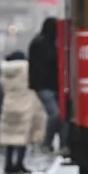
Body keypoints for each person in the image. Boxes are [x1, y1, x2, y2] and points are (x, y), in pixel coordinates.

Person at [0, 51, 46, 174]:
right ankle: (19, 163)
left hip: (9, 105)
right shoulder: (27, 70)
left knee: (9, 137)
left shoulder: (4, 72)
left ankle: (8, 164)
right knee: (22, 136)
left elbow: (2, 88)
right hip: (25, 105)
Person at [28, 18, 62, 154]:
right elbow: (50, 59)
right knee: (55, 114)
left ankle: (54, 142)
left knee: (59, 115)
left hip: (49, 85)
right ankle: (47, 142)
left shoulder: (41, 42)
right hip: (44, 85)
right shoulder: (41, 44)